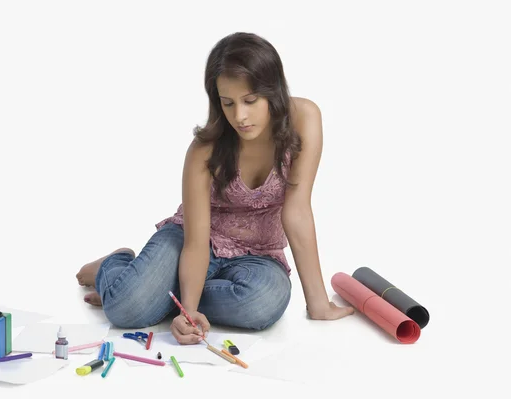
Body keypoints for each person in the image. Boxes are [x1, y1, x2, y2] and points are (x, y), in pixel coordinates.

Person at [75, 32, 354, 345]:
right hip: (192, 240)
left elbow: (297, 210)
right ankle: (117, 266)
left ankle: (154, 290)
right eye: (228, 103)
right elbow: (195, 242)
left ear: (272, 91)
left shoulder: (305, 118)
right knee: (126, 309)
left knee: (263, 302)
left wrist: (318, 304)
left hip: (258, 256)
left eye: (250, 101)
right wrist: (189, 311)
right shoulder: (204, 150)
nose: (240, 116)